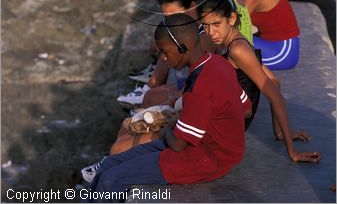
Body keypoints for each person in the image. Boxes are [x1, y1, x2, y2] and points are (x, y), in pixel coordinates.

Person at [85, 13, 251, 199]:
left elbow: (178, 144)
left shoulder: (200, 88)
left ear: (183, 48)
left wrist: (170, 128)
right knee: (108, 165)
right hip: (216, 149)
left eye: (165, 52)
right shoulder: (217, 62)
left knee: (110, 180)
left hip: (205, 159)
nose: (163, 59)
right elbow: (246, 109)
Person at [197, 0, 321, 163]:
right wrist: (279, 132)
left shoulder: (237, 49)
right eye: (205, 25)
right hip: (230, 112)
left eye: (216, 24)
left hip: (231, 122)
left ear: (232, 19)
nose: (211, 32)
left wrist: (292, 152)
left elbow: (274, 94)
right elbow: (275, 82)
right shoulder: (228, 42)